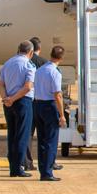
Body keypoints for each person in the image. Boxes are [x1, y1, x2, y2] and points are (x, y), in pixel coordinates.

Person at [0, 40, 35, 178]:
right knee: (22, 135)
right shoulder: (28, 65)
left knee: (11, 134)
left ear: (18, 50)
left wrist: (6, 98)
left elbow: (0, 83)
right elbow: (28, 87)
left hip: (8, 103)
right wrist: (13, 99)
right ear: (30, 52)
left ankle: (13, 167)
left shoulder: (7, 63)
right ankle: (18, 167)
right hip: (22, 102)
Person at [33, 45, 68, 182]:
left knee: (42, 140)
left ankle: (43, 170)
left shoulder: (40, 70)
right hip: (49, 106)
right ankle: (47, 172)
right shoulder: (55, 72)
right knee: (51, 141)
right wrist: (62, 115)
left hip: (37, 105)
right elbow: (57, 95)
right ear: (61, 58)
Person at [22, 37, 48, 171]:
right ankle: (46, 163)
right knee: (43, 135)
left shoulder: (24, 62)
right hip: (42, 102)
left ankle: (27, 162)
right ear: (39, 48)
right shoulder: (44, 63)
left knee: (27, 134)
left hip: (28, 100)